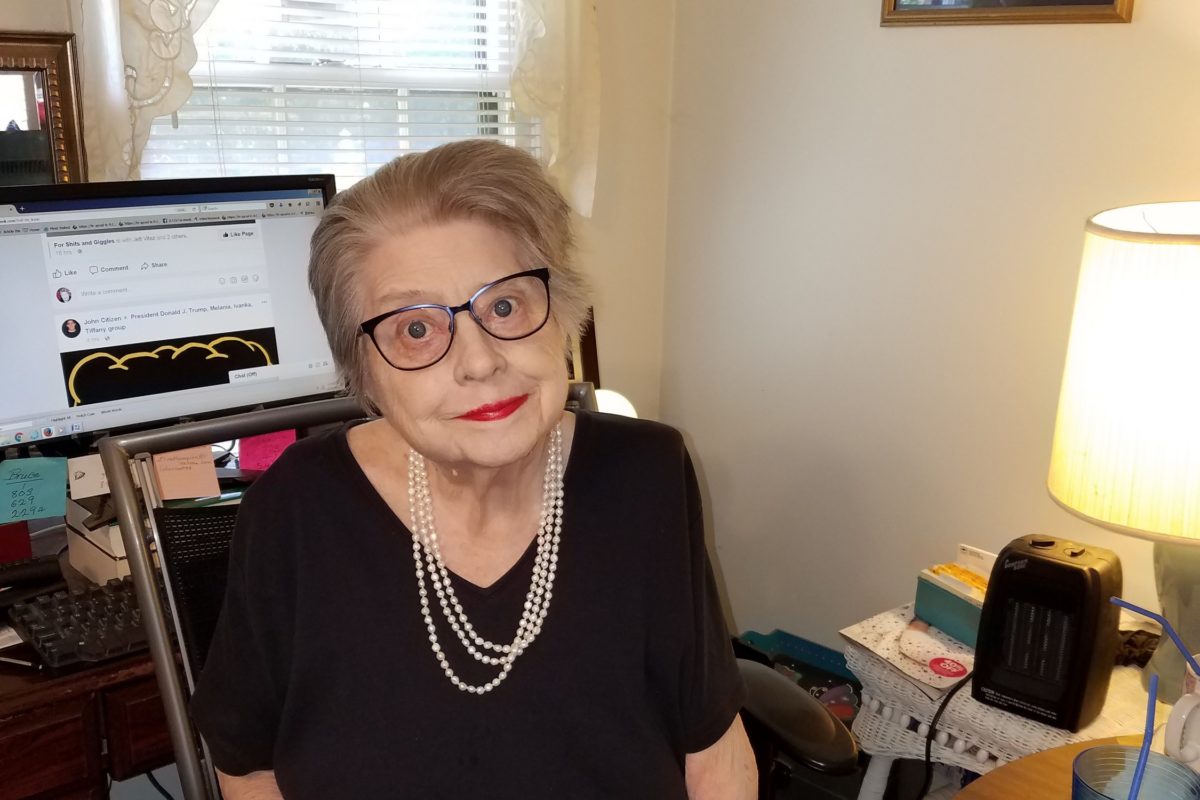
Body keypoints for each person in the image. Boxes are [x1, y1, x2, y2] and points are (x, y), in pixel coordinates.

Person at [191, 140, 755, 799]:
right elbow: (246, 764)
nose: (480, 361)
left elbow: (713, 751)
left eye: (506, 307)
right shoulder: (297, 507)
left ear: (563, 311)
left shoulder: (648, 476)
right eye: (417, 331)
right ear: (361, 371)